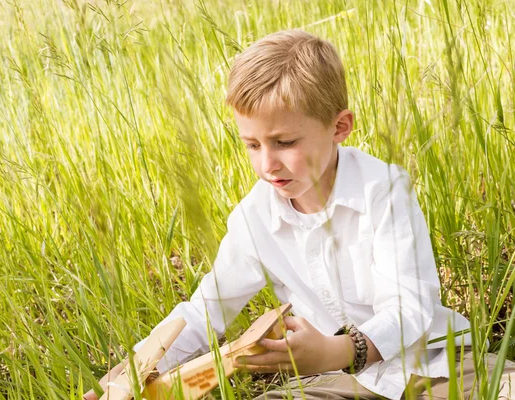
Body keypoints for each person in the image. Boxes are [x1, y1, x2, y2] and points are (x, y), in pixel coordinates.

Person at [84, 29, 514, 399]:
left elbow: (412, 309)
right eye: (252, 145)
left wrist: (338, 350)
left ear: (339, 127)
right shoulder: (254, 218)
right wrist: (126, 377)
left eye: (284, 142)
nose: (266, 163)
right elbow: (204, 312)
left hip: (433, 363)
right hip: (333, 382)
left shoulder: (383, 190)